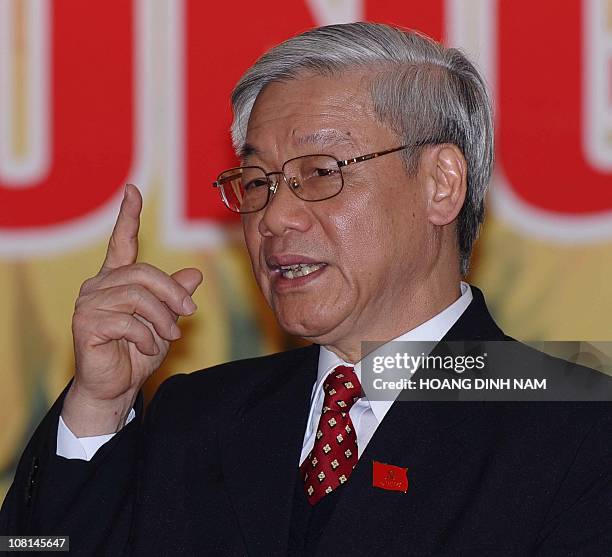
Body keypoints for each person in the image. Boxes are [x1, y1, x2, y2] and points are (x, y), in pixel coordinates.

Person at [1, 22, 610, 556]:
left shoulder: (576, 426)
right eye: (257, 181)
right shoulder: (196, 416)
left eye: (319, 173)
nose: (273, 216)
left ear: (441, 184)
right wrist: (98, 408)